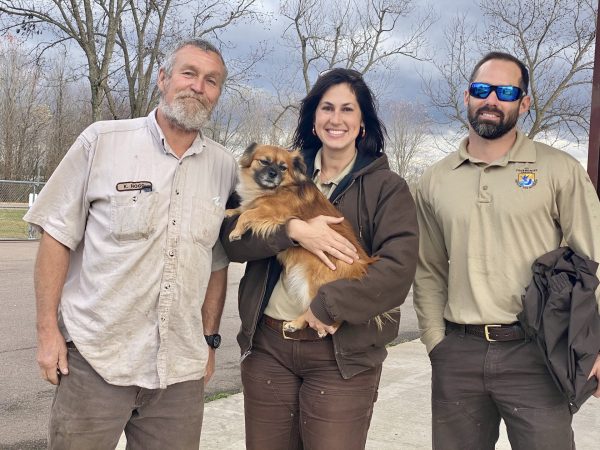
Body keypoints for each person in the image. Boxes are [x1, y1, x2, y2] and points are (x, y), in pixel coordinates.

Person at [24, 38, 237, 449]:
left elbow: (217, 263)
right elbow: (56, 236)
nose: (198, 87)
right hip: (96, 362)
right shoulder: (101, 142)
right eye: (188, 73)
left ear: (218, 94)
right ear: (163, 79)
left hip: (179, 374)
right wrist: (47, 330)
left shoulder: (224, 168)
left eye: (211, 81)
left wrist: (210, 340)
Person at [221, 68, 419, 449]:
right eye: (327, 107)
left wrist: (328, 306)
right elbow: (233, 245)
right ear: (314, 119)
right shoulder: (277, 171)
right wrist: (291, 231)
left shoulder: (387, 188)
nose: (336, 118)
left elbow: (397, 271)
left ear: (362, 123)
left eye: (348, 109)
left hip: (340, 355)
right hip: (268, 348)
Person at [413, 51, 600, 450]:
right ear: (467, 96)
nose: (492, 100)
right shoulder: (435, 180)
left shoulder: (559, 170)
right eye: (482, 89)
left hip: (537, 354)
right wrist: (435, 342)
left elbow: (593, 259)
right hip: (458, 354)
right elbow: (428, 269)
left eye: (506, 91)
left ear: (524, 102)